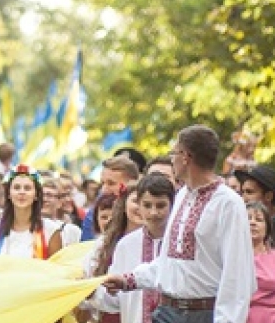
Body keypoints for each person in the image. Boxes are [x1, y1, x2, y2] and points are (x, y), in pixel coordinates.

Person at [103, 125, 255, 323]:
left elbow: (238, 275)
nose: (172, 159)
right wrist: (129, 280)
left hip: (202, 315)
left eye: (174, 153)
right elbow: (170, 261)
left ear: (185, 157)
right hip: (167, 311)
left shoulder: (228, 203)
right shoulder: (181, 196)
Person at [93, 174, 175, 323]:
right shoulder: (126, 245)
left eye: (161, 205)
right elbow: (116, 301)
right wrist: (92, 293)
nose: (153, 212)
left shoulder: (180, 241)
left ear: (172, 205)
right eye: (147, 205)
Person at [0, 165, 66, 259]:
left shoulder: (51, 230)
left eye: (27, 188)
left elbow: (58, 269)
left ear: (36, 195)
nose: (22, 192)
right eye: (16, 187)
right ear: (9, 194)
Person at [82, 156, 141, 241]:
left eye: (111, 183)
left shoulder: (143, 211)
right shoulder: (94, 214)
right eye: (102, 183)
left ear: (131, 183)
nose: (104, 189)